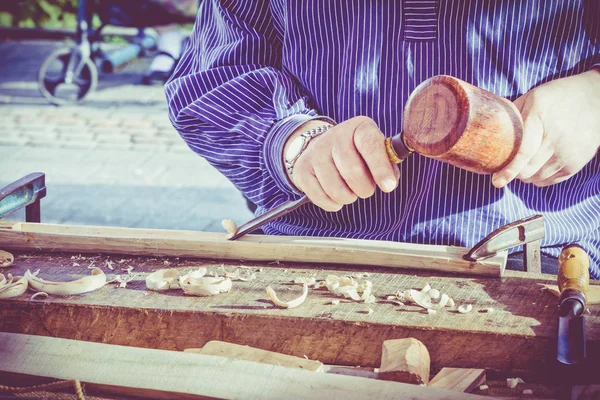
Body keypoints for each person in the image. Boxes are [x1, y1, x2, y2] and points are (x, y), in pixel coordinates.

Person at [165, 1, 600, 277]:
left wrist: (593, 95)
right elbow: (212, 76)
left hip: (541, 258)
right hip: (309, 252)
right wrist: (294, 141)